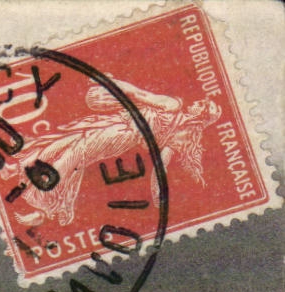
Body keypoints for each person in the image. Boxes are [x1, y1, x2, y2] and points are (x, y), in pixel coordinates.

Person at [13, 80, 221, 227]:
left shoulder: (173, 107)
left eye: (201, 105)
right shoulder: (180, 131)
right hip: (116, 123)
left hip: (121, 132)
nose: (196, 102)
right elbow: (161, 165)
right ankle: (22, 168)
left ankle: (40, 200)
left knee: (75, 153)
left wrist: (108, 81)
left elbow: (137, 94)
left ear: (201, 116)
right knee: (68, 140)